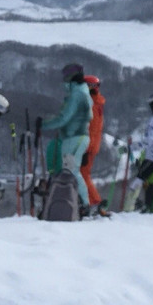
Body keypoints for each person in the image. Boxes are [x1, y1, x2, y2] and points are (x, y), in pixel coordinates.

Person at [40, 63, 94, 216]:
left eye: (66, 76)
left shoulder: (78, 94)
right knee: (71, 170)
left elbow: (65, 118)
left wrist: (43, 125)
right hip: (75, 136)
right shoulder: (81, 92)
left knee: (71, 171)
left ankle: (84, 203)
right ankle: (79, 202)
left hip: (75, 136)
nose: (64, 80)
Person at [81, 75, 109, 216]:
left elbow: (92, 129)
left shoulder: (91, 104)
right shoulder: (96, 102)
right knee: (82, 174)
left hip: (88, 147)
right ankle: (89, 202)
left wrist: (86, 150)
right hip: (91, 146)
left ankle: (94, 202)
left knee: (83, 175)